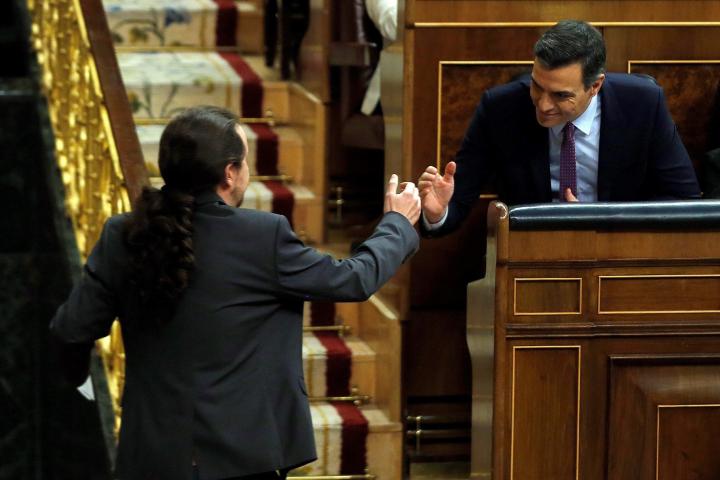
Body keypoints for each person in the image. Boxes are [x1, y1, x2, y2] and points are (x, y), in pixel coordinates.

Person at [49, 106, 420, 480]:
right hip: (242, 459)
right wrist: (398, 223)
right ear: (230, 173)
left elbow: (70, 329)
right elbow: (353, 279)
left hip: (150, 458)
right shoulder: (263, 236)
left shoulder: (123, 233)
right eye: (245, 161)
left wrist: (83, 385)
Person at [418, 19, 701, 236]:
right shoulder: (501, 109)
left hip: (619, 251)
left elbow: (683, 201)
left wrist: (598, 221)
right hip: (529, 256)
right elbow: (458, 201)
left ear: (595, 86)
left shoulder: (643, 104)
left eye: (561, 95)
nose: (543, 105)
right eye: (537, 86)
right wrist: (437, 213)